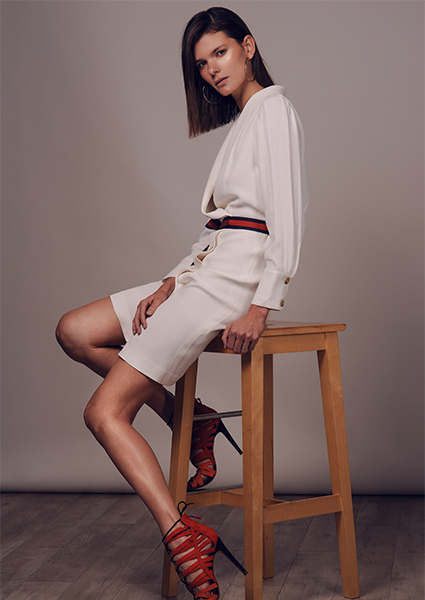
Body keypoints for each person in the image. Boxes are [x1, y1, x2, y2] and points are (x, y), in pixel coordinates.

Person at [56, 6, 309, 599]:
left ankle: (182, 534)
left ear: (248, 46)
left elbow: (288, 218)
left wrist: (262, 305)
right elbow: (221, 228)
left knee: (104, 414)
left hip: (231, 284)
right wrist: (170, 282)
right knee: (74, 330)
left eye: (220, 53)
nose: (212, 70)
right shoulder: (245, 119)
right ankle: (190, 420)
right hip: (204, 273)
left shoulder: (273, 110)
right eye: (201, 64)